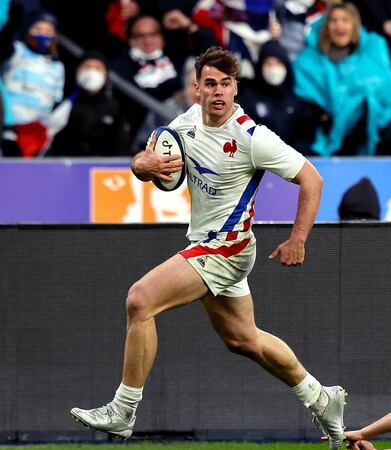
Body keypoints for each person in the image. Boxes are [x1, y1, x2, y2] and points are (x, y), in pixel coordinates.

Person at [70, 47, 347, 450]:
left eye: (227, 84)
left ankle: (123, 409)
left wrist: (298, 239)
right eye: (211, 84)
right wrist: (140, 167)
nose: (219, 92)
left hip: (227, 248)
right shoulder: (185, 122)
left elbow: (313, 179)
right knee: (244, 339)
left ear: (236, 88)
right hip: (208, 244)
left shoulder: (253, 136)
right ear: (196, 89)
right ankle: (322, 397)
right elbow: (147, 160)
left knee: (140, 300)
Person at [293, 2, 391, 157]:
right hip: (324, 138)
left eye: (345, 20)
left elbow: (387, 94)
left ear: (354, 25)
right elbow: (304, 98)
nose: (339, 25)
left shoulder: (373, 51)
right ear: (326, 26)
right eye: (334, 21)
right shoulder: (310, 60)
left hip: (367, 136)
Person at [0, 8, 64, 157]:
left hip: (38, 133)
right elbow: (4, 47)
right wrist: (12, 25)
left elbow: (56, 99)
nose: (43, 34)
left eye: (48, 30)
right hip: (11, 128)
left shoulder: (58, 66)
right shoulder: (18, 51)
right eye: (38, 29)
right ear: (28, 31)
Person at [238, 40, 320, 155]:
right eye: (268, 63)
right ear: (260, 66)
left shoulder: (297, 102)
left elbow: (305, 137)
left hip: (292, 164)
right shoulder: (248, 100)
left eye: (278, 63)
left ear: (286, 66)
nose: (273, 68)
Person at [48, 51, 130, 157]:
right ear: (77, 71)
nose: (91, 72)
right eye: (87, 67)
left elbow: (122, 147)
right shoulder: (63, 105)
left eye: (97, 68)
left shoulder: (115, 108)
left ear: (105, 74)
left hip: (102, 170)